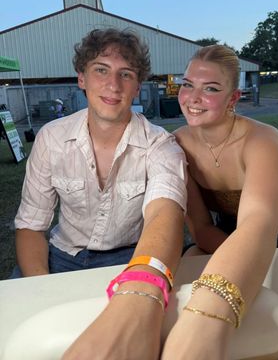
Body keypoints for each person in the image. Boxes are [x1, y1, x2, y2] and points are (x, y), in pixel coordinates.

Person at [14, 28, 187, 360]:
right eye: (101, 70)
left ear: (138, 86)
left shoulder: (161, 145)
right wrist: (43, 291)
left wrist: (142, 284)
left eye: (126, 74)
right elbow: (31, 225)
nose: (113, 85)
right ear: (81, 79)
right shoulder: (51, 138)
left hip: (129, 260)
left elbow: (166, 214)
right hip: (59, 256)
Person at [161, 44, 278, 359]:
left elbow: (259, 224)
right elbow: (202, 228)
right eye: (187, 84)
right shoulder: (177, 145)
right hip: (225, 236)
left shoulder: (263, 141)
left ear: (233, 98)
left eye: (210, 89)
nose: (193, 98)